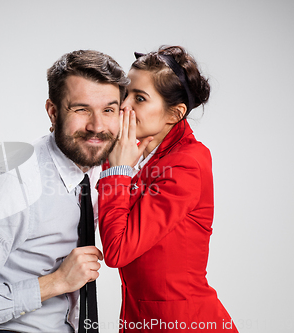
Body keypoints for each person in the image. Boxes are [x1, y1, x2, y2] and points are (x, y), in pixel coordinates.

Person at [0, 50, 129, 332]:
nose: (97, 126)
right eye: (81, 109)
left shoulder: (96, 169)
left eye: (108, 110)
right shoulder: (12, 185)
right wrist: (56, 282)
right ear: (53, 112)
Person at [97, 46, 238, 332]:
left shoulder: (188, 163)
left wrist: (117, 171)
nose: (124, 107)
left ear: (175, 113)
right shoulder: (137, 152)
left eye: (139, 98)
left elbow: (117, 250)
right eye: (126, 94)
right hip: (140, 320)